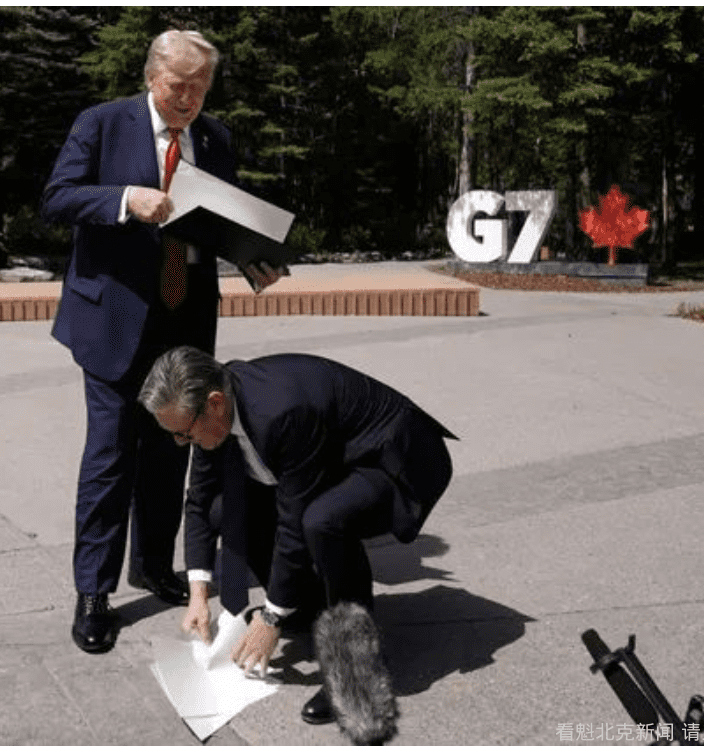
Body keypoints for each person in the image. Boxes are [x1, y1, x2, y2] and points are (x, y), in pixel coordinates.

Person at [41, 30, 281, 655]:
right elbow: (57, 197)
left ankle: (151, 564)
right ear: (152, 77)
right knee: (111, 456)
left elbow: (221, 220)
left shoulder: (215, 137)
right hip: (113, 321)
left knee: (172, 450)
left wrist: (250, 257)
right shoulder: (102, 124)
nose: (189, 100)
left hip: (185, 318)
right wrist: (125, 198)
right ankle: (94, 592)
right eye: (179, 86)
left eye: (201, 88)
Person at [138, 345, 456, 725]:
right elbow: (199, 502)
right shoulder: (212, 410)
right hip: (330, 457)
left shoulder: (281, 413)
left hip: (394, 460)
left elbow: (294, 523)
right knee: (225, 509)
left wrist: (271, 617)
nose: (181, 443)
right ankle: (305, 605)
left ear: (215, 403)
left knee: (323, 521)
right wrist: (198, 595)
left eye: (184, 434)